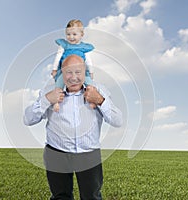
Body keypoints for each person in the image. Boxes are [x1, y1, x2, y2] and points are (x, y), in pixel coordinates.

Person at [24, 54, 123, 200]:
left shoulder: (98, 90)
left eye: (78, 72)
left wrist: (100, 100)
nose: (73, 77)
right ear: (61, 73)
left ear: (85, 73)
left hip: (89, 153)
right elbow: (28, 119)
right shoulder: (50, 91)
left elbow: (118, 120)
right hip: (56, 152)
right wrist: (46, 100)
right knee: (60, 196)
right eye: (69, 72)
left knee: (92, 196)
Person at [51, 19, 95, 112]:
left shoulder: (84, 47)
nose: (71, 37)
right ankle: (56, 102)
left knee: (89, 84)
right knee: (59, 84)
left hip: (81, 72)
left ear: (81, 35)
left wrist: (91, 72)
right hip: (66, 71)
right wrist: (55, 69)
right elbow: (58, 57)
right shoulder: (64, 45)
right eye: (68, 34)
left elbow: (89, 62)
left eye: (74, 34)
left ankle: (92, 100)